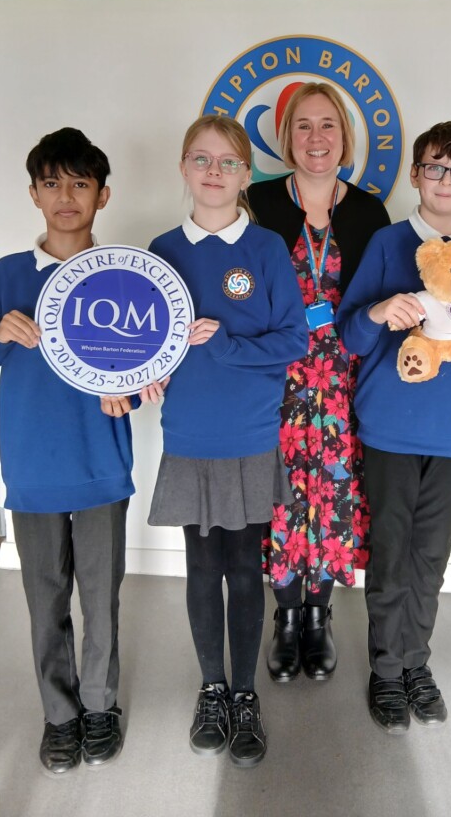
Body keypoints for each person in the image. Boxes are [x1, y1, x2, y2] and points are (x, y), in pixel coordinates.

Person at [0, 128, 135, 774]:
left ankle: (99, 706)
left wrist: (130, 391)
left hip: (101, 465)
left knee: (101, 597)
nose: (66, 196)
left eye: (80, 183)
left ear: (102, 195)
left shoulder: (122, 275)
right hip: (32, 467)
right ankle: (59, 716)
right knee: (45, 598)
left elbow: (144, 364)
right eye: (52, 183)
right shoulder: (11, 275)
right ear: (33, 193)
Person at [336, 120, 451, 734]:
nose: (446, 179)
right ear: (415, 175)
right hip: (389, 426)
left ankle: (417, 661)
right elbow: (350, 334)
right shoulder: (388, 244)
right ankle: (387, 670)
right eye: (435, 167)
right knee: (391, 554)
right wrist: (380, 311)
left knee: (430, 556)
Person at [146, 115, 307, 767]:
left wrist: (227, 343)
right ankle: (211, 689)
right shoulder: (161, 250)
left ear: (245, 175)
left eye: (228, 162)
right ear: (183, 168)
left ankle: (244, 695)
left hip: (248, 435)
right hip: (188, 433)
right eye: (201, 159)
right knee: (200, 567)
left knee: (243, 568)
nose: (213, 172)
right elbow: (144, 338)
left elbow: (293, 339)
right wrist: (146, 369)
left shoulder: (265, 249)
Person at [248, 81, 390, 682]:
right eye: (303, 125)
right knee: (282, 496)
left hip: (342, 381)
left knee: (333, 494)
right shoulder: (257, 201)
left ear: (344, 137)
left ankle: (317, 616)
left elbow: (381, 300)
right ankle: (285, 616)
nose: (316, 137)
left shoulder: (368, 212)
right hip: (277, 375)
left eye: (327, 124)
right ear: (287, 137)